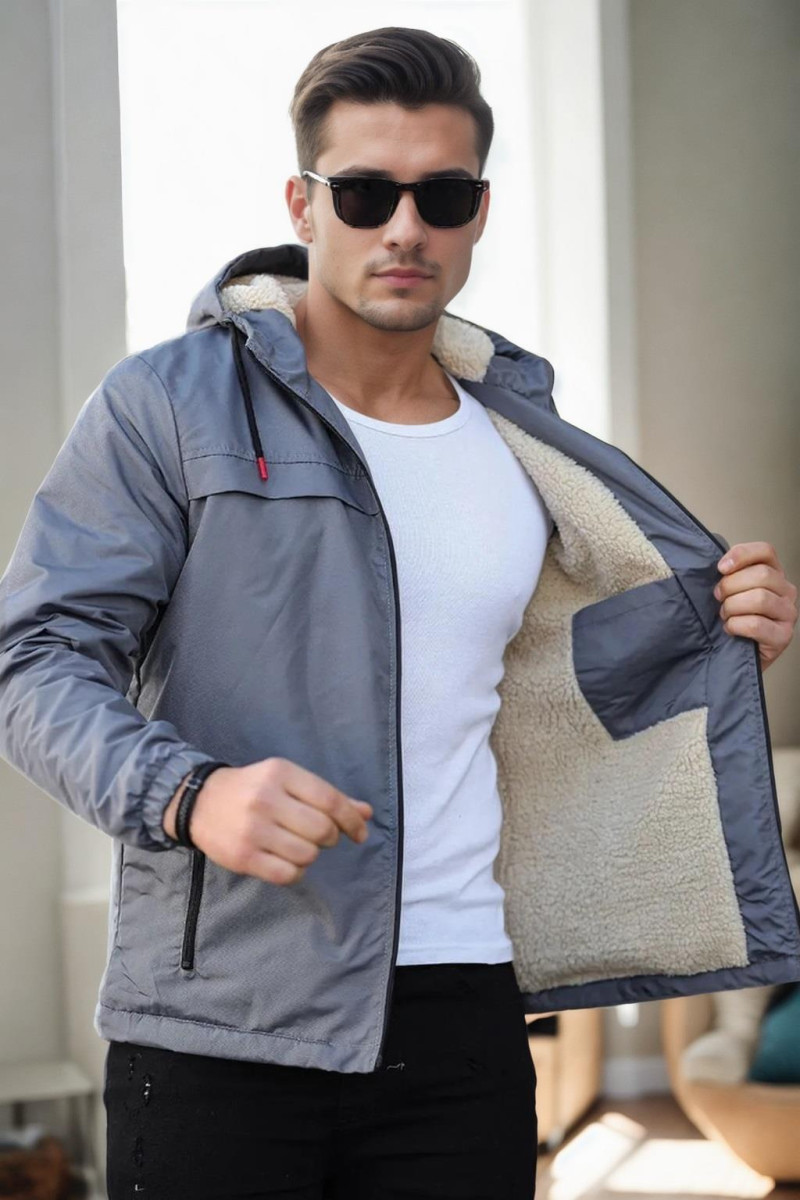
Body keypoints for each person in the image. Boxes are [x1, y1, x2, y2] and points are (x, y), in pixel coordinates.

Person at [0, 24, 798, 1200]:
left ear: (478, 212)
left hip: (464, 1012)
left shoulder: (523, 443)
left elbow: (543, 686)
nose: (404, 228)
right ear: (303, 202)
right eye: (366, 192)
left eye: (442, 195)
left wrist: (718, 635)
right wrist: (187, 793)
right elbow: (34, 661)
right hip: (224, 1023)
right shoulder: (165, 404)